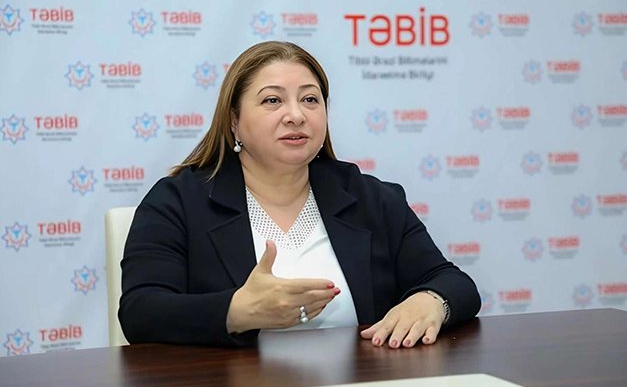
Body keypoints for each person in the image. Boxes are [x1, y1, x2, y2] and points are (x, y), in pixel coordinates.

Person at [119, 41, 481, 348]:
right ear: (233, 121)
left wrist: (432, 301)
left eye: (310, 99)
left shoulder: (369, 197)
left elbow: (453, 283)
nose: (296, 115)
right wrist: (238, 312)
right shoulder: (178, 202)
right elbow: (141, 312)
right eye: (272, 101)